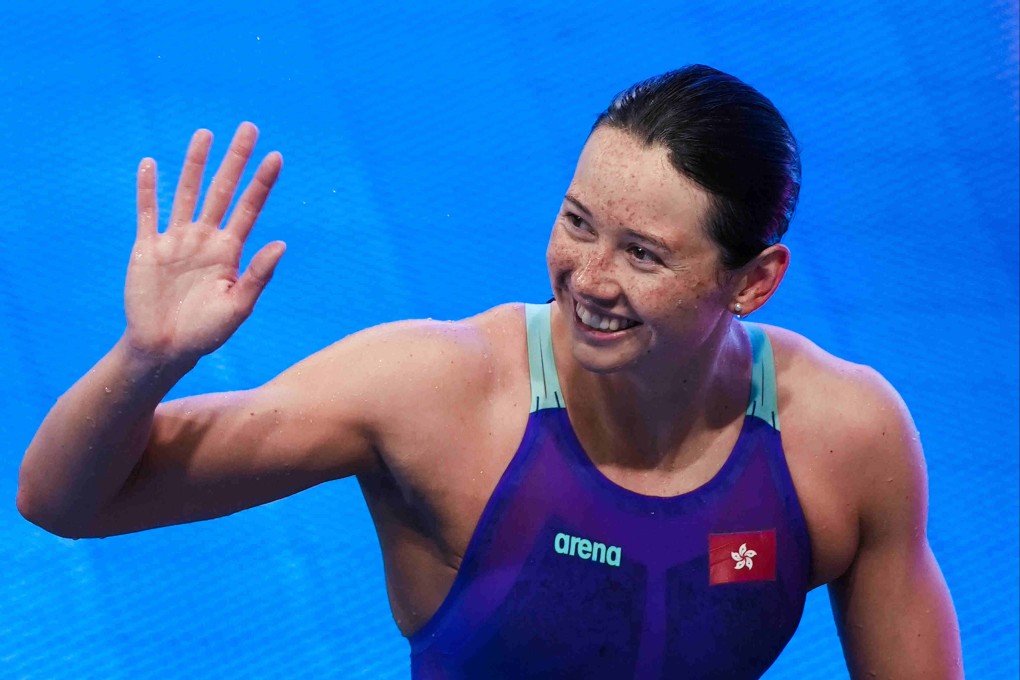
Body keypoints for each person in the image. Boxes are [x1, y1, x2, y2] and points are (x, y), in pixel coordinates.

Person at [17, 65, 961, 678]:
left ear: (753, 282)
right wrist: (146, 361)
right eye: (578, 221)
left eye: (643, 254)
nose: (587, 280)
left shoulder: (846, 440)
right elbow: (66, 502)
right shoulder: (434, 394)